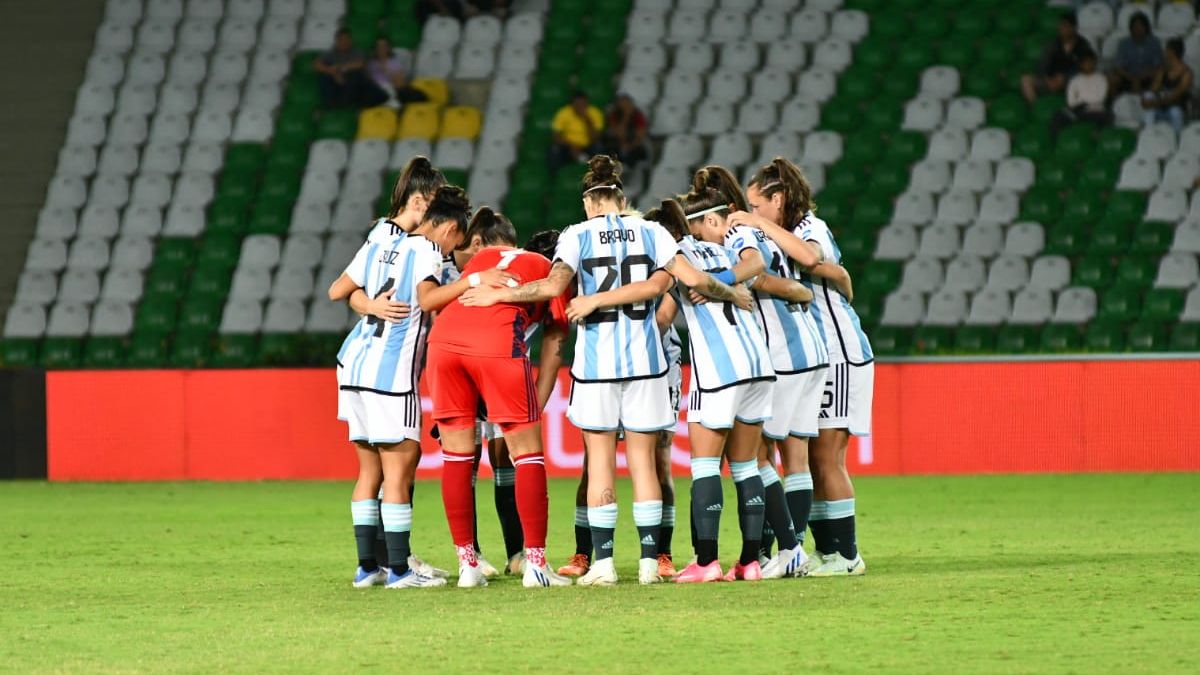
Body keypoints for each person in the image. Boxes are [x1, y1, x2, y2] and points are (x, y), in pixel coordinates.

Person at [460, 155, 752, 585]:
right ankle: (651, 563)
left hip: (598, 365)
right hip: (648, 364)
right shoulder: (652, 232)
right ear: (622, 198)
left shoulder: (577, 235)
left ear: (589, 203)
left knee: (599, 461)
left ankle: (604, 563)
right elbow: (692, 279)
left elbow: (554, 286)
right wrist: (732, 292)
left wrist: (498, 297)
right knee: (643, 463)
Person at [568, 194, 777, 583]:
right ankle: (751, 562)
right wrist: (732, 289)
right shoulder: (723, 250)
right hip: (759, 363)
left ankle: (706, 561)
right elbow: (757, 264)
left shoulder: (674, 254)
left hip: (718, 369)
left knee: (701, 466)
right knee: (747, 465)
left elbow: (668, 310)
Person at [727, 157, 871, 577]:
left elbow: (812, 260)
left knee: (827, 457)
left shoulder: (808, 228)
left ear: (780, 199)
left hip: (839, 352)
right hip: (815, 350)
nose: (753, 216)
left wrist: (762, 228)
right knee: (808, 456)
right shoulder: (781, 236)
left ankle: (846, 555)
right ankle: (821, 551)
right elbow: (835, 277)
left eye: (758, 206)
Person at [325, 185, 473, 589]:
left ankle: (368, 568)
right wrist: (471, 282)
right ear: (448, 228)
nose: (451, 248)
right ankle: (401, 571)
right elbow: (427, 300)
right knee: (399, 469)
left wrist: (370, 305)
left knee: (368, 471)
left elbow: (340, 290)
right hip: (390, 377)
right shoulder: (427, 251)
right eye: (456, 239)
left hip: (353, 366)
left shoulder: (380, 242)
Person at [691, 166, 832, 579]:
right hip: (810, 348)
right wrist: (796, 289)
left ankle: (788, 548)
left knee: (755, 456)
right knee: (796, 458)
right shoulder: (766, 229)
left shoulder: (737, 233)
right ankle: (787, 548)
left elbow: (762, 270)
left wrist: (720, 282)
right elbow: (795, 281)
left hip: (782, 353)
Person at [427, 208, 572, 588]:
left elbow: (456, 300)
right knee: (528, 455)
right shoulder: (551, 267)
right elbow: (555, 341)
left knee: (457, 456)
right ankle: (535, 565)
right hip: (495, 344)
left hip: (442, 344)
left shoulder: (482, 258)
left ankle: (467, 566)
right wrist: (535, 405)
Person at [1021, 12, 1093, 103]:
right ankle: (1036, 108)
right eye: (1061, 26)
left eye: (1065, 26)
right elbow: (1042, 64)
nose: (1062, 29)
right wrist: (1047, 78)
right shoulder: (1053, 44)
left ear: (1074, 28)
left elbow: (1084, 67)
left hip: (1070, 82)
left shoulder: (1083, 45)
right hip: (1050, 81)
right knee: (1026, 80)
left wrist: (1064, 77)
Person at [314, 28, 387, 109]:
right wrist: (331, 71)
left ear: (351, 40)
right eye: (341, 39)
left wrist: (340, 69)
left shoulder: (356, 51)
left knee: (357, 75)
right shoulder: (331, 52)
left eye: (347, 39)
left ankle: (352, 105)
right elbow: (317, 64)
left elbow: (360, 64)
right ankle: (331, 106)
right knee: (324, 76)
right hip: (338, 87)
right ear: (337, 41)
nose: (344, 42)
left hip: (355, 86)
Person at [1050, 49, 1111, 139]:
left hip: (1095, 111)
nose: (1088, 65)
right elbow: (1070, 101)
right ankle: (1058, 141)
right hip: (1077, 111)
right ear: (1081, 64)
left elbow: (1099, 98)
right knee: (1058, 116)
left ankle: (1096, 134)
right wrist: (1083, 101)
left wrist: (1081, 98)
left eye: (1090, 62)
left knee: (1109, 116)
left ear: (1094, 63)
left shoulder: (1101, 79)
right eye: (1085, 62)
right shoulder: (1075, 80)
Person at [1142, 38, 1193, 133]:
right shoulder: (1163, 71)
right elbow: (1154, 88)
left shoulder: (1187, 73)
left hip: (1177, 107)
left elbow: (1175, 95)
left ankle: (1177, 139)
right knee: (1149, 113)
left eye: (1166, 50)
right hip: (1160, 105)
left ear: (1171, 52)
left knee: (1175, 113)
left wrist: (1154, 103)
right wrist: (1147, 99)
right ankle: (1149, 137)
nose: (1164, 52)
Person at [549, 91, 604, 173]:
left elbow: (595, 137)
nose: (580, 107)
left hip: (587, 146)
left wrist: (587, 120)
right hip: (568, 146)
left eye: (583, 104)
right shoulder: (564, 112)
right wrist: (571, 146)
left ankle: (597, 176)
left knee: (599, 146)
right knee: (554, 150)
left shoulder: (594, 113)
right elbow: (555, 136)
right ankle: (554, 177)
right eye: (577, 105)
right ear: (572, 104)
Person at [1111, 12, 1164, 97]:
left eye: (1140, 26)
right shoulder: (1124, 43)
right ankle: (1116, 106)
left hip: (1147, 77)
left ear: (1146, 28)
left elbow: (1158, 66)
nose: (1137, 29)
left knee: (1159, 74)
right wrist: (1132, 78)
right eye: (1135, 26)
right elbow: (1118, 66)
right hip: (1129, 77)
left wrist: (1141, 78)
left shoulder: (1154, 43)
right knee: (1114, 79)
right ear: (1130, 28)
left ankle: (1150, 101)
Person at [366, 38, 428, 107]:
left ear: (388, 48)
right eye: (379, 46)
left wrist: (386, 71)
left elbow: (401, 83)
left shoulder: (394, 63)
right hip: (377, 89)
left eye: (384, 46)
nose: (381, 49)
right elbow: (368, 81)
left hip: (391, 89)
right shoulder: (371, 63)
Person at [602, 94, 649, 171]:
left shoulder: (638, 116)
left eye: (627, 104)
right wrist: (626, 116)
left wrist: (629, 146)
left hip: (633, 143)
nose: (625, 106)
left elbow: (640, 136)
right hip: (618, 142)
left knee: (637, 151)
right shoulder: (614, 114)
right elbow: (618, 133)